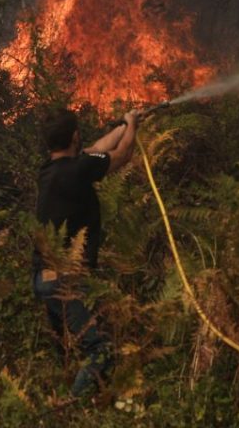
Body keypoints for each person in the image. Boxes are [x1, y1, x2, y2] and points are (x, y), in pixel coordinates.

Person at [33, 107, 140, 397]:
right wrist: (131, 128)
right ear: (75, 135)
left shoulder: (51, 170)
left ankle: (66, 402)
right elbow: (121, 156)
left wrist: (122, 126)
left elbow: (93, 151)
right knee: (100, 349)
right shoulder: (78, 169)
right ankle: (71, 411)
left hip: (45, 277)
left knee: (67, 354)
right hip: (64, 280)